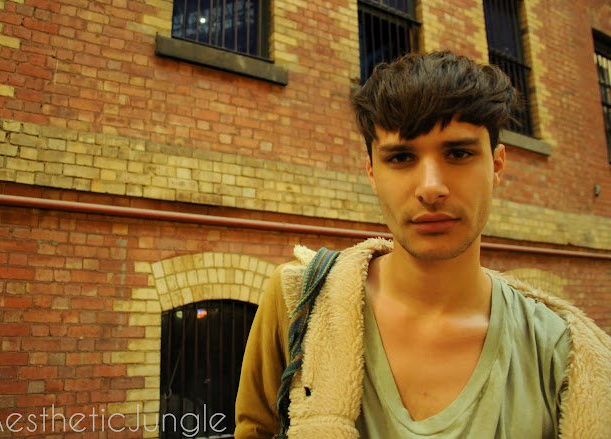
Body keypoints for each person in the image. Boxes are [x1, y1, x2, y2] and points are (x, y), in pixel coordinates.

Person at [234, 51, 611, 438]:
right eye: (401, 157)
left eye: (458, 153)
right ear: (372, 173)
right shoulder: (298, 300)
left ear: (497, 165)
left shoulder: (565, 353)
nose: (431, 188)